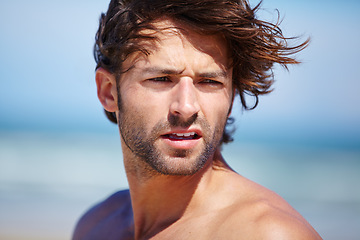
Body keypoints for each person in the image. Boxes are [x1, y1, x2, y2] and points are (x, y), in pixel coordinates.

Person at [73, 0, 322, 239]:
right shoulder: (96, 226)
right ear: (108, 91)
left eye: (210, 82)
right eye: (161, 79)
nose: (187, 107)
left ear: (232, 95)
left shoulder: (266, 234)